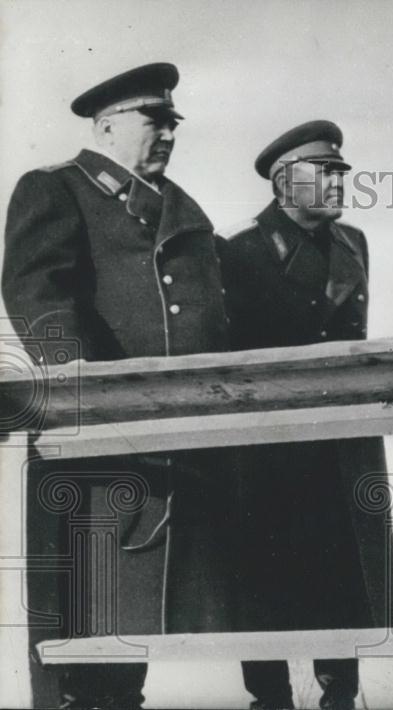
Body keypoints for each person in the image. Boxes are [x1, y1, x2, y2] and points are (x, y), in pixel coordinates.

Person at [2, 62, 235, 709]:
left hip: (183, 444)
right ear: (106, 126)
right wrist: (87, 390)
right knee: (96, 628)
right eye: (152, 121)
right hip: (104, 446)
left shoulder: (181, 208)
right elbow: (37, 289)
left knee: (149, 633)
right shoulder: (59, 189)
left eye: (172, 124)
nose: (166, 135)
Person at [219, 120, 393, 710]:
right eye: (324, 172)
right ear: (282, 182)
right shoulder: (237, 250)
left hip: (343, 446)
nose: (338, 181)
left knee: (346, 581)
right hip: (268, 449)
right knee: (262, 585)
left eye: (341, 171)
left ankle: (339, 697)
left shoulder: (354, 245)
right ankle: (268, 700)